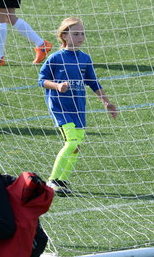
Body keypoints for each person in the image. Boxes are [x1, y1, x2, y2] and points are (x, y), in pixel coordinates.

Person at [38, 17, 118, 196]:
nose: (80, 36)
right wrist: (57, 86)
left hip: (78, 108)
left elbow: (93, 83)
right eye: (75, 34)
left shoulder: (85, 59)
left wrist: (107, 102)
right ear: (64, 36)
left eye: (82, 33)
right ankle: (52, 180)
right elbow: (41, 80)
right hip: (61, 108)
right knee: (71, 142)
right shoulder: (56, 58)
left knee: (77, 145)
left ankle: (62, 181)